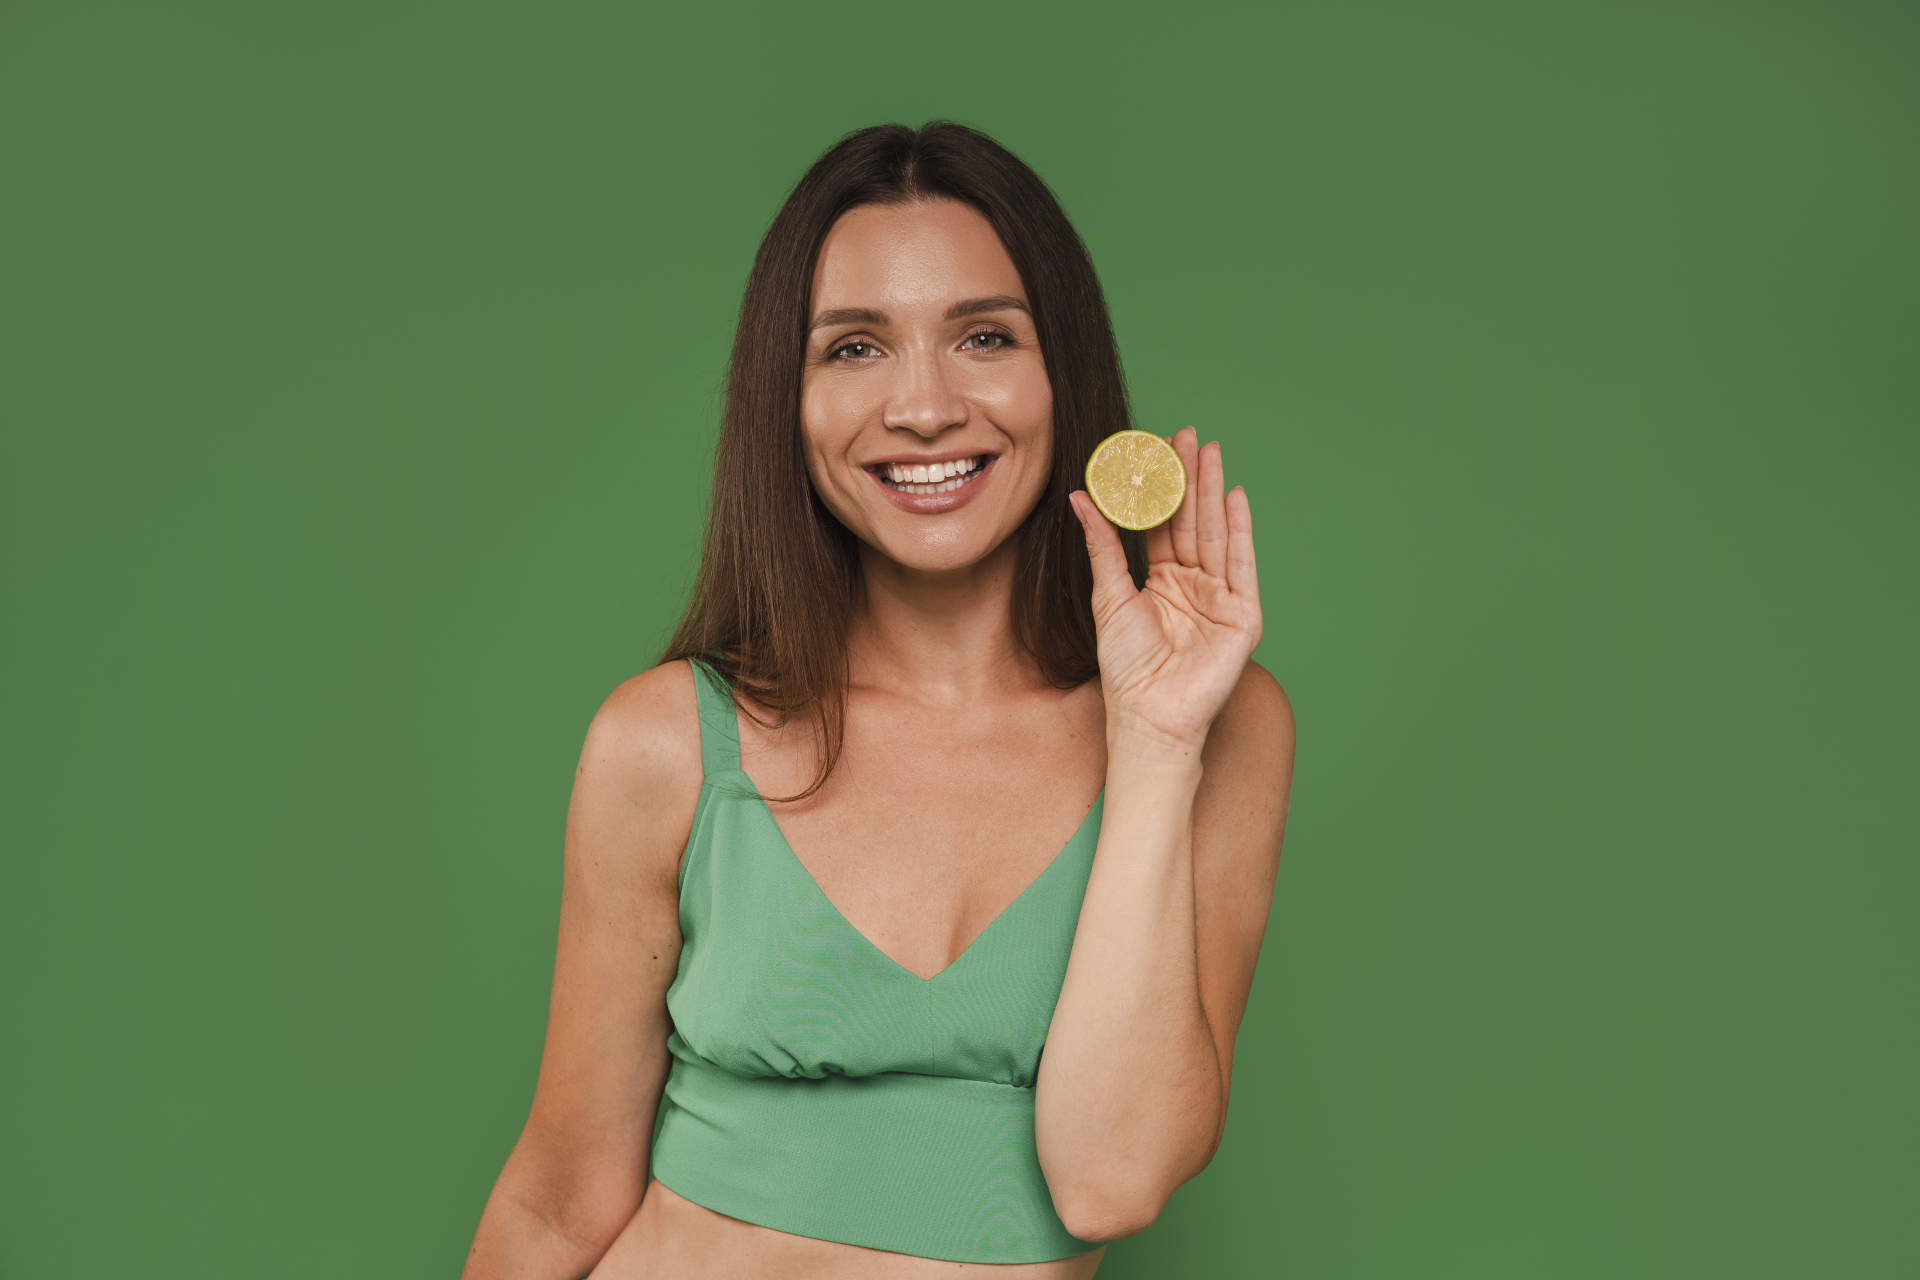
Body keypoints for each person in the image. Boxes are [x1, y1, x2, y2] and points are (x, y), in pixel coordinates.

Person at [462, 121, 1294, 1278]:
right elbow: (557, 1204)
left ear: (1064, 372)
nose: (924, 406)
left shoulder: (1217, 726)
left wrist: (1154, 743)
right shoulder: (665, 744)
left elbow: (1112, 1176)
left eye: (985, 336)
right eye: (854, 347)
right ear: (788, 398)